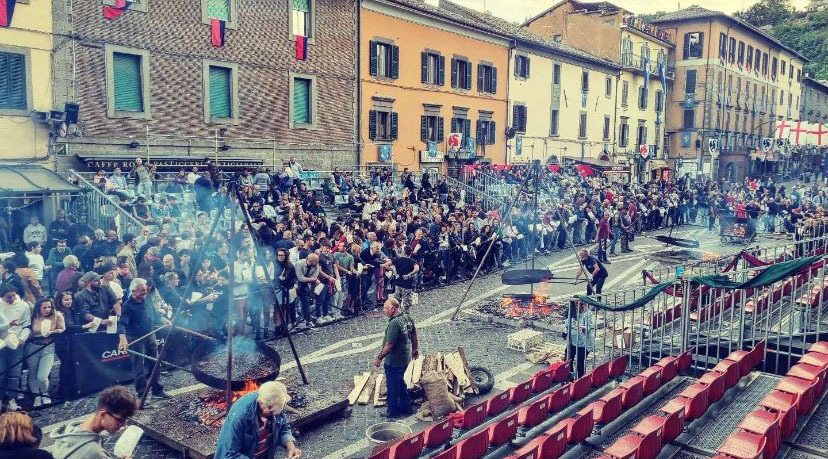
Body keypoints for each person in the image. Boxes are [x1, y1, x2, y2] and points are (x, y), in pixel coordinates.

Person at [215, 380, 302, 459]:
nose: (274, 412)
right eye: (270, 408)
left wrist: (291, 446)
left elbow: (283, 427)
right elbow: (228, 454)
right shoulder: (240, 415)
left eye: (276, 411)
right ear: (261, 401)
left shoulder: (275, 405)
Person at [50, 385, 138, 459]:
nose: (124, 426)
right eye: (120, 421)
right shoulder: (95, 453)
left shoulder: (70, 430)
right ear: (103, 414)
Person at [117, 278, 171, 399]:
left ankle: (157, 390)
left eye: (146, 290)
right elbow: (121, 324)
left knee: (155, 363)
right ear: (133, 291)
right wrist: (122, 339)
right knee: (139, 367)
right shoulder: (127, 305)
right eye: (141, 290)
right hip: (135, 338)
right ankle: (142, 394)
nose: (145, 292)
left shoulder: (147, 298)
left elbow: (154, 314)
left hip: (150, 334)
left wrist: (162, 319)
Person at [374, 298, 418, 418]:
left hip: (394, 361)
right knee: (402, 383)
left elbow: (389, 345)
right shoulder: (407, 317)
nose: (384, 310)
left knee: (393, 387)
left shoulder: (394, 323)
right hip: (405, 358)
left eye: (385, 308)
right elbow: (414, 335)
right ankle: (406, 408)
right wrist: (415, 349)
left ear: (392, 309)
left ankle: (392, 412)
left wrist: (379, 357)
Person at [25, 298, 65, 407]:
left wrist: (53, 331)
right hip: (32, 347)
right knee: (33, 373)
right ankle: (36, 396)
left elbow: (62, 328)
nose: (47, 310)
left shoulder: (56, 315)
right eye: (44, 307)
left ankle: (44, 393)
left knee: (42, 376)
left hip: (48, 347)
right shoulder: (33, 316)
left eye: (49, 307)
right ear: (39, 308)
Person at [0, 285, 31, 412]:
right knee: (1, 373)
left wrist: (23, 338)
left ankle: (11, 399)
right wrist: (8, 325)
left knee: (15, 373)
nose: (11, 299)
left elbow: (27, 325)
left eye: (13, 295)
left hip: (16, 344)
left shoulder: (24, 306)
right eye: (8, 297)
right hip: (1, 344)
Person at [566, 301, 594, 378]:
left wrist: (583, 328)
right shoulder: (571, 312)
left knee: (579, 363)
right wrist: (564, 330)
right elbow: (565, 323)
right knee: (567, 360)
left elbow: (589, 326)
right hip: (572, 342)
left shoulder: (587, 313)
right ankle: (570, 377)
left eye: (579, 305)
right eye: (575, 305)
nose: (577, 307)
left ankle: (580, 380)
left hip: (583, 343)